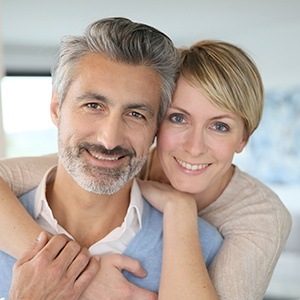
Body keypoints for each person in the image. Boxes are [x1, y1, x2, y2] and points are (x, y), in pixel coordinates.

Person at [0, 38, 292, 299]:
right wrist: (78, 275)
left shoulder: (256, 219)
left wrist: (179, 209)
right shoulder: (110, 159)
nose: (194, 147)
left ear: (244, 138)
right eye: (178, 118)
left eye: (219, 126)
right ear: (158, 126)